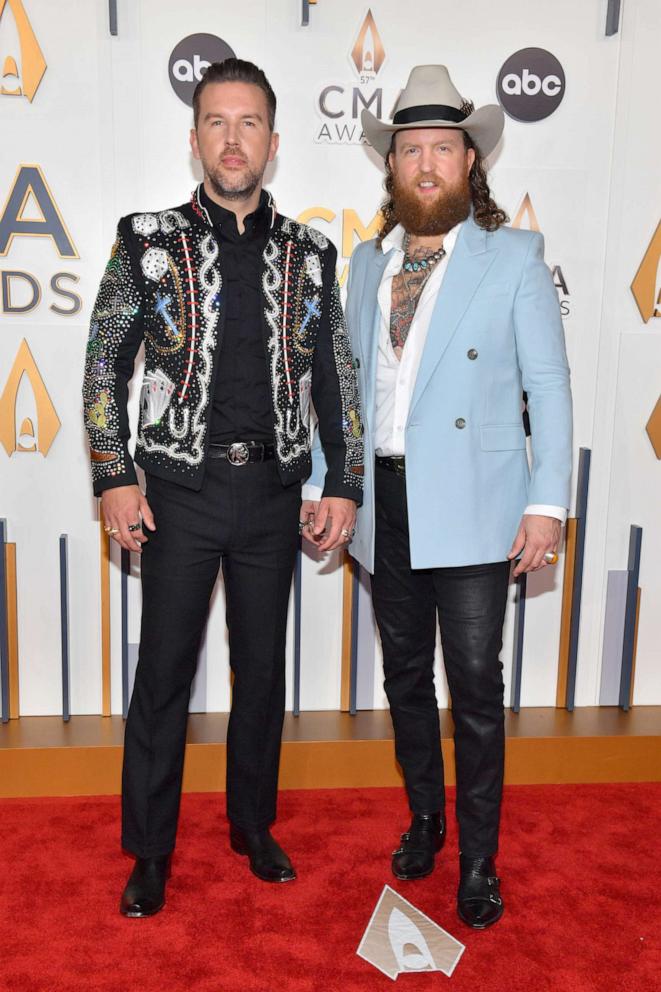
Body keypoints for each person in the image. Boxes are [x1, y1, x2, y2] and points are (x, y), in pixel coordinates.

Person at [82, 58, 363, 917]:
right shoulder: (146, 238)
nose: (232, 139)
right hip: (175, 493)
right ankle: (150, 851)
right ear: (195, 135)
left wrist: (343, 481)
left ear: (273, 144)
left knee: (262, 672)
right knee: (163, 675)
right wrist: (112, 474)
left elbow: (335, 376)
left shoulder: (311, 253)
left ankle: (252, 825)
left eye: (248, 125)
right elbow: (102, 365)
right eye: (216, 121)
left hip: (274, 496)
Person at [303, 65, 572, 929]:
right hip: (383, 501)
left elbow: (550, 387)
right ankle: (424, 819)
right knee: (406, 678)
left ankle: (481, 860)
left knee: (475, 687)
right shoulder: (365, 265)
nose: (424, 164)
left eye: (441, 149)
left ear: (469, 162)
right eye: (409, 149)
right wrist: (324, 480)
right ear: (391, 166)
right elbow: (340, 391)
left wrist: (548, 501)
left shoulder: (514, 258)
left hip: (476, 504)